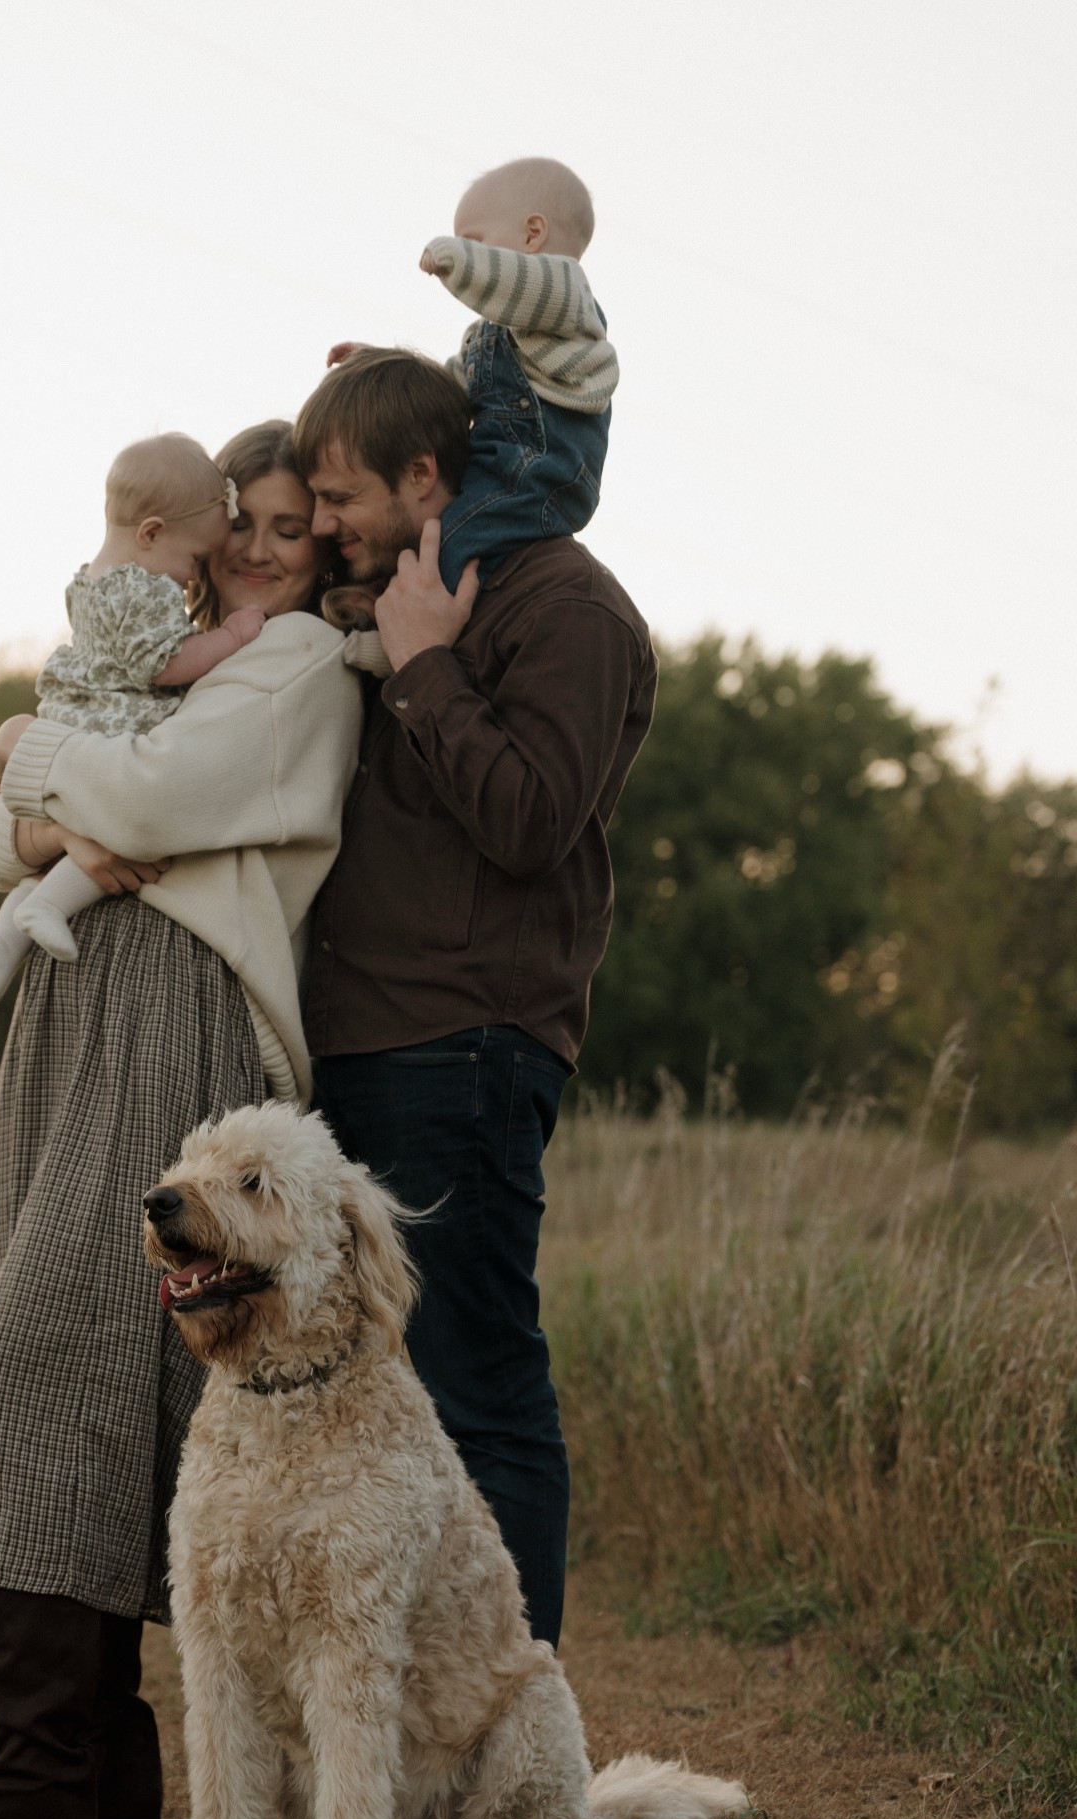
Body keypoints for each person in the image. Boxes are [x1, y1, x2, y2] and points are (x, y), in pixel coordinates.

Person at [0, 423, 362, 1819]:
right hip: (72, 1026)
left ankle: (31, 1798)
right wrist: (30, 797)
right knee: (111, 1373)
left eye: (290, 527)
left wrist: (27, 756)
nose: (262, 548)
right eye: (242, 524)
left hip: (180, 1021)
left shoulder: (301, 669)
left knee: (41, 1365)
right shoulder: (164, 650)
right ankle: (111, 1770)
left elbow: (135, 807)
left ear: (324, 546)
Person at [295, 348, 657, 1652]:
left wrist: (427, 669)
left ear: (426, 477)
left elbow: (527, 821)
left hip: (464, 1048)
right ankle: (399, 1720)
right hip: (365, 1040)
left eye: (340, 494)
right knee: (377, 1397)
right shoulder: (406, 588)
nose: (323, 520)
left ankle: (513, 1741)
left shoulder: (569, 611)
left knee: (477, 1390)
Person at [0, 433, 265, 1009]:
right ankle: (46, 906)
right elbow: (164, 665)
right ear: (150, 533)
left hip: (69, 722)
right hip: (110, 729)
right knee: (111, 830)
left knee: (70, 841)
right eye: (195, 560)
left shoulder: (90, 579)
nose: (195, 578)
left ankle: (1, 940)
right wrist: (232, 635)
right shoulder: (144, 589)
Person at [327, 156, 617, 597]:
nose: (468, 251)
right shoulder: (486, 337)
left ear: (533, 233)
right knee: (426, 529)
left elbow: (519, 284)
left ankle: (397, 627)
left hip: (544, 476)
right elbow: (445, 394)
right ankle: (393, 609)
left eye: (476, 240)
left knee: (452, 540)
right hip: (497, 467)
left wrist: (456, 256)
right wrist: (379, 367)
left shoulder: (568, 300)